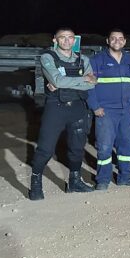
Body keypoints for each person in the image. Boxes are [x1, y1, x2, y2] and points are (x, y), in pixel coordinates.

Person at [29, 27, 97, 200]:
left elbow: (92, 84)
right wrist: (81, 79)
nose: (67, 41)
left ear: (75, 40)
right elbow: (57, 81)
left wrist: (65, 82)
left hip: (78, 108)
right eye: (62, 38)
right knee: (45, 149)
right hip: (56, 107)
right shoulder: (48, 57)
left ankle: (74, 181)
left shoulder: (83, 59)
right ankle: (35, 182)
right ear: (55, 40)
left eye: (70, 38)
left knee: (77, 148)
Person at [87, 29, 130, 190]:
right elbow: (89, 86)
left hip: (127, 111)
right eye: (113, 38)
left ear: (124, 42)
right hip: (106, 111)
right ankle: (103, 179)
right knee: (104, 146)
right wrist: (95, 107)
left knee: (127, 145)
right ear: (107, 41)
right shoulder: (97, 60)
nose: (117, 41)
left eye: (120, 39)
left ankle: (124, 176)